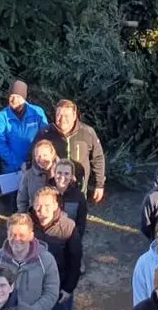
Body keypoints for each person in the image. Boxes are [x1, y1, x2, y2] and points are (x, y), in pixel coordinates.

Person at [32, 187, 81, 310]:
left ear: (55, 206)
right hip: (33, 285)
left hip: (57, 286)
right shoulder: (28, 223)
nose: (41, 211)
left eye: (46, 206)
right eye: (37, 207)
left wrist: (68, 289)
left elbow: (75, 260)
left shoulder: (68, 227)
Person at [37, 99, 106, 230]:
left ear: (75, 116)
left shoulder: (87, 132)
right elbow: (34, 156)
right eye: (59, 115)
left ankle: (75, 239)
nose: (62, 119)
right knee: (53, 218)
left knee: (77, 219)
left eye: (66, 116)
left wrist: (99, 184)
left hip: (79, 187)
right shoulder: (45, 133)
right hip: (54, 186)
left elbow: (98, 158)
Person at [0, 80, 49, 177]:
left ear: (24, 97)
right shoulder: (2, 117)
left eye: (18, 96)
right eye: (12, 96)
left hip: (36, 166)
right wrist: (18, 163)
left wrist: (35, 161)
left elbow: (45, 138)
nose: (14, 100)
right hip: (11, 168)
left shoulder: (37, 112)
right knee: (13, 192)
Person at [16, 138, 60, 215]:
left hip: (57, 216)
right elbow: (22, 199)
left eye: (45, 155)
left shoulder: (62, 172)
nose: (41, 159)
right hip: (35, 216)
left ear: (52, 155)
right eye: (38, 156)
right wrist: (23, 215)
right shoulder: (28, 175)